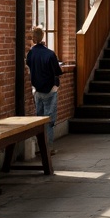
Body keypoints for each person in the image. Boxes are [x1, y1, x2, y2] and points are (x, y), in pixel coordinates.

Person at [26, 25, 63, 153]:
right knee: (50, 119)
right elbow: (57, 71)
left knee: (39, 118)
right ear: (42, 37)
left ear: (33, 38)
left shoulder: (31, 53)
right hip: (50, 89)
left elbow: (29, 64)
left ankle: (39, 147)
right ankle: (48, 148)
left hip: (37, 89)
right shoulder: (50, 54)